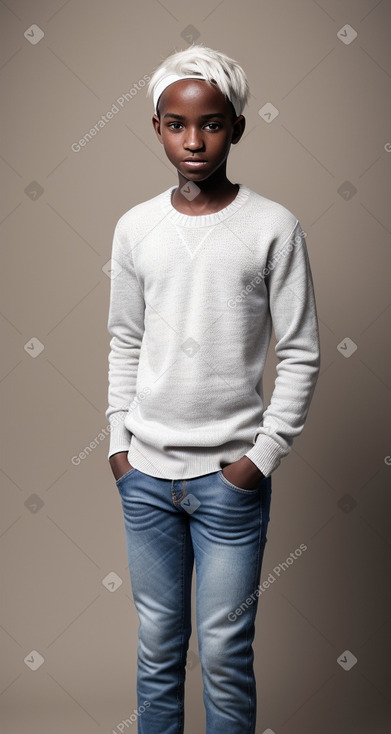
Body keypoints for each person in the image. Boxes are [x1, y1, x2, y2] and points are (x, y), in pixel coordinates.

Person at [105, 44, 321, 734]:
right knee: (157, 650)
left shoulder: (272, 228)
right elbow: (124, 341)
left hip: (229, 481)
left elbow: (300, 352)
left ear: (237, 128)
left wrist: (257, 460)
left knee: (225, 653)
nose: (193, 141)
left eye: (212, 125)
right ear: (157, 127)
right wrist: (118, 445)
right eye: (175, 124)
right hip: (144, 477)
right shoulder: (136, 228)